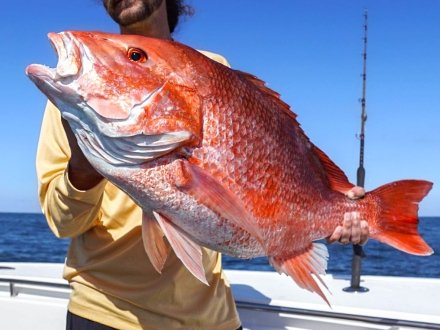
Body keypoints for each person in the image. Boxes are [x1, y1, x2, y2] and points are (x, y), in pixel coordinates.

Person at [36, 1, 369, 329]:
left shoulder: (212, 68)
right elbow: (63, 224)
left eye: (135, 57)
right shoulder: (72, 100)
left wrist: (336, 207)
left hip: (213, 318)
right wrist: (83, 162)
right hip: (106, 313)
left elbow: (264, 174)